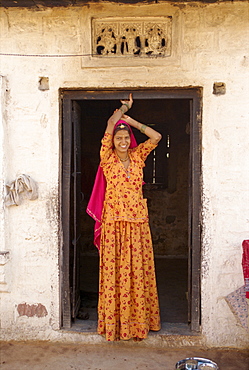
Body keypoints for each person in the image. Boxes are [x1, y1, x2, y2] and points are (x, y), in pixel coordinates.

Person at [87, 93, 162, 341]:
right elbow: (110, 125)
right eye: (117, 138)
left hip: (137, 223)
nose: (121, 141)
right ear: (112, 141)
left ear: (129, 140)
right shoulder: (107, 160)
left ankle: (138, 324)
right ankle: (115, 326)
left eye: (124, 138)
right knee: (114, 275)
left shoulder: (139, 156)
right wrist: (122, 109)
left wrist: (132, 122)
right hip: (114, 224)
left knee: (137, 273)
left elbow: (157, 137)